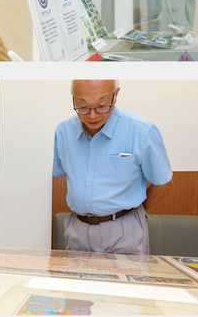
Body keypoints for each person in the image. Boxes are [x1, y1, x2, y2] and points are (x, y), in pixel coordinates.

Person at [53, 80, 174, 254]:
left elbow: (164, 182)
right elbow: (66, 175)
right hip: (77, 230)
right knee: (77, 281)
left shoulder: (142, 131)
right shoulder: (63, 131)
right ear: (74, 99)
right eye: (83, 106)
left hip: (124, 230)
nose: (92, 115)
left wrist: (132, 213)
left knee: (126, 281)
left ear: (115, 95)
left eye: (102, 106)